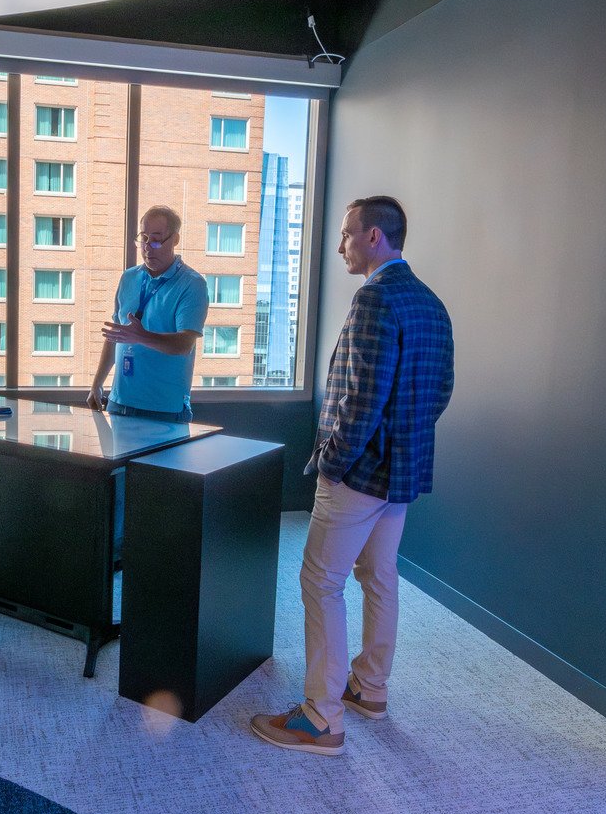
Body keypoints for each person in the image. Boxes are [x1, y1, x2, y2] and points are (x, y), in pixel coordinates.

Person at [251, 196, 455, 755]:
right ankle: (370, 687)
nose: (339, 245)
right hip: (403, 473)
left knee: (320, 582)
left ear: (373, 238)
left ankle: (321, 717)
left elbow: (358, 403)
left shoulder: (374, 301)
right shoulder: (431, 304)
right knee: (379, 576)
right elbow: (439, 394)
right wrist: (402, 444)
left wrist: (333, 463)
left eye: (345, 235)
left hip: (359, 475)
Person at [86, 205, 209, 422]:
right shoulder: (129, 278)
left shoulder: (192, 284)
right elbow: (116, 336)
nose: (148, 248)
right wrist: (97, 383)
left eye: (156, 239)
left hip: (164, 409)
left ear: (175, 239)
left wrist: (140, 336)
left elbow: (184, 345)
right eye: (143, 239)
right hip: (119, 403)